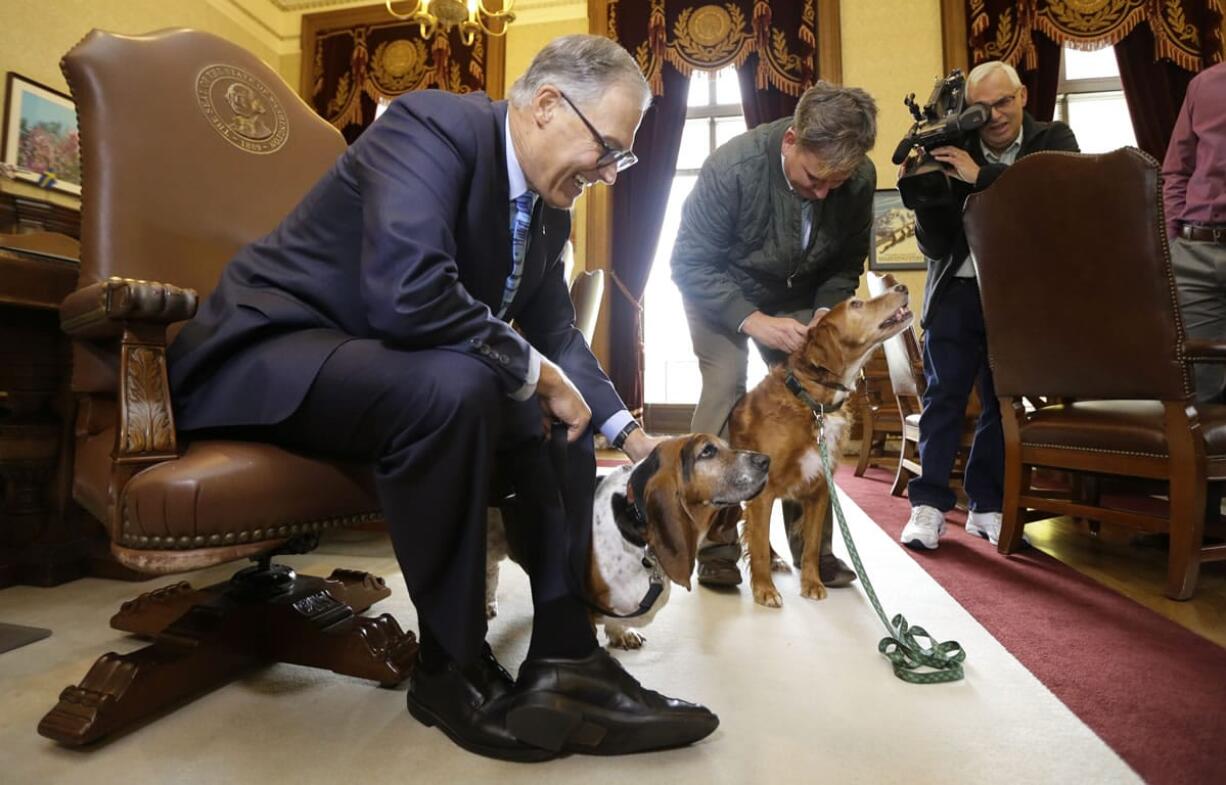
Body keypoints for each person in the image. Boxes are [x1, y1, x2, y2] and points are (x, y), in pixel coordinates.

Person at [167, 35, 717, 762]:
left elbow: (554, 329)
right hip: (270, 351)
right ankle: (449, 667)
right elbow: (408, 290)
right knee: (468, 383)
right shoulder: (432, 126)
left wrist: (625, 428)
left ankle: (566, 656)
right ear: (548, 105)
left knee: (562, 417)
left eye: (623, 158)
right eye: (606, 149)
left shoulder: (549, 208)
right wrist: (538, 374)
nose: (610, 174)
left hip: (371, 368)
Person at [670, 81, 878, 587]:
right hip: (719, 292)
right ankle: (716, 542)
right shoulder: (732, 167)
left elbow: (847, 261)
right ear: (791, 140)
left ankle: (813, 549)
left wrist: (825, 311)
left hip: (799, 294)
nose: (825, 191)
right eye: (814, 177)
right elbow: (689, 263)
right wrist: (753, 319)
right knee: (726, 387)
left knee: (813, 401)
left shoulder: (860, 178)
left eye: (838, 180)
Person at [899, 60, 1079, 550]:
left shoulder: (1054, 140)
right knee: (944, 397)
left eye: (1004, 102)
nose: (996, 115)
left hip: (1020, 296)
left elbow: (1056, 201)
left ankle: (986, 506)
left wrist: (981, 176)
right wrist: (927, 196)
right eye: (983, 107)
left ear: (1023, 96)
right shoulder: (950, 146)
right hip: (958, 290)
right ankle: (929, 506)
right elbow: (936, 247)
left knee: (1003, 404)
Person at [1163, 61, 1226, 403]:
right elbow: (1176, 171)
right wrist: (1173, 243)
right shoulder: (1204, 84)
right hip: (1195, 253)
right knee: (1197, 395)